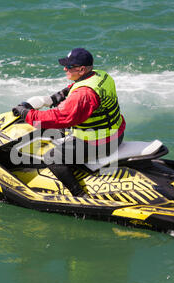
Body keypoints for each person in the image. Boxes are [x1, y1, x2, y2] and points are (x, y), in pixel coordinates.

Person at [12, 48, 126, 196]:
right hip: (116, 132)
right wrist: (57, 96)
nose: (65, 69)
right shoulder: (102, 76)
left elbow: (60, 117)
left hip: (99, 143)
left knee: (51, 157)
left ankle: (78, 194)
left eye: (69, 67)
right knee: (59, 133)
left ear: (82, 69)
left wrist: (27, 114)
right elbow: (77, 86)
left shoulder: (84, 94)